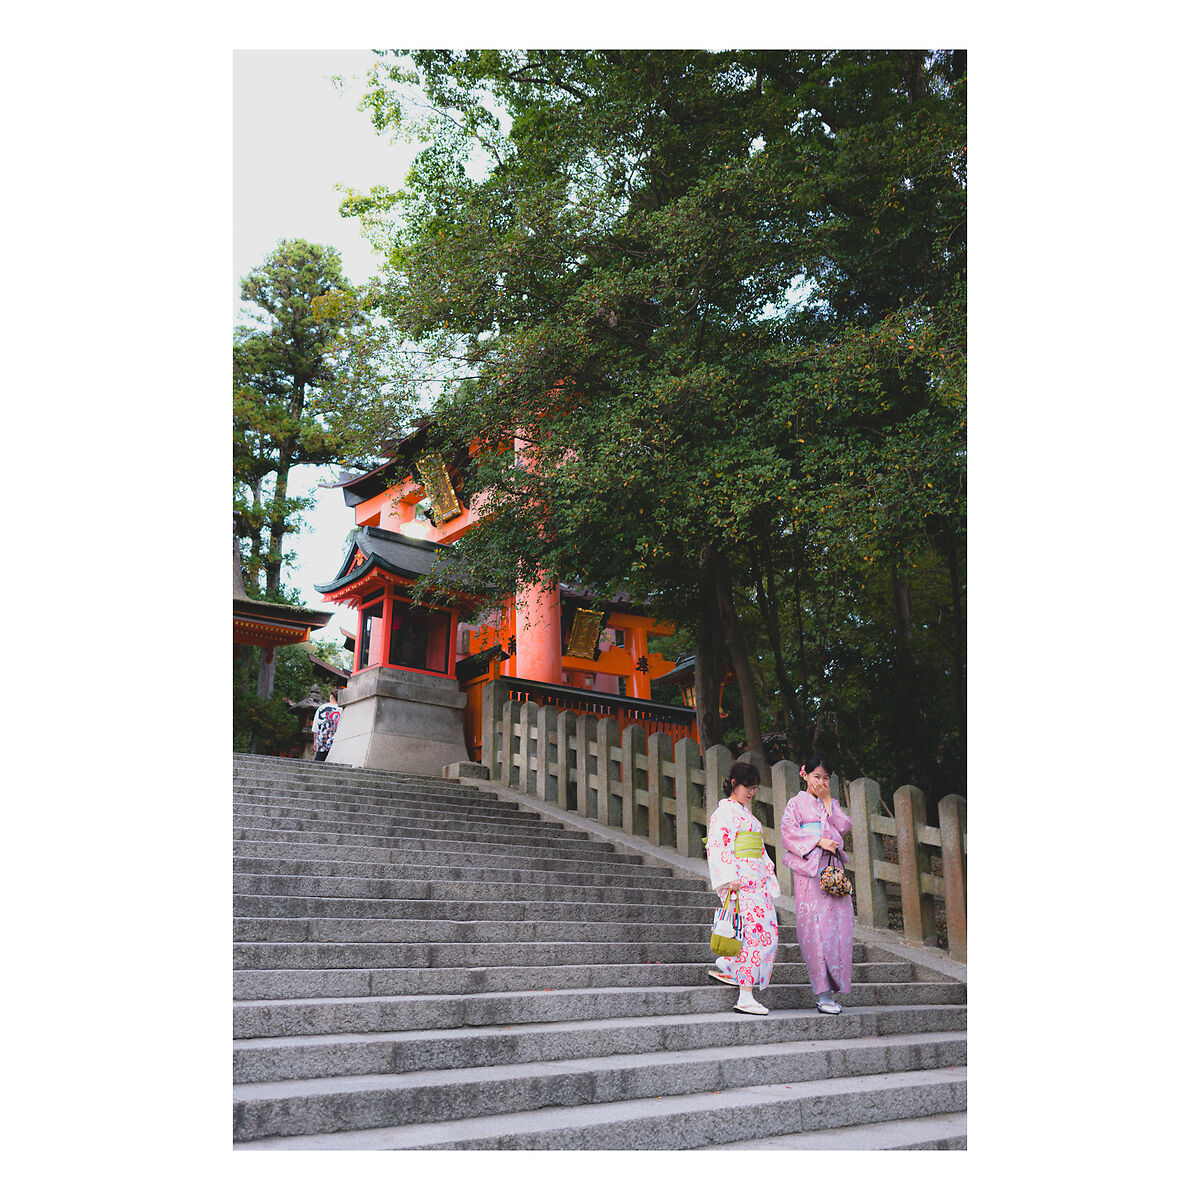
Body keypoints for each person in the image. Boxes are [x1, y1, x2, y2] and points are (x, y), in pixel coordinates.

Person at [780, 753, 855, 1014]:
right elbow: (789, 834)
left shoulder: (831, 802)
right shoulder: (795, 804)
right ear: (805, 775)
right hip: (810, 874)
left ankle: (834, 989)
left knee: (840, 929)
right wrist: (818, 841)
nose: (821, 782)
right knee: (816, 931)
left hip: (832, 873)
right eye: (816, 777)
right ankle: (823, 994)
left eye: (825, 778)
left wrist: (827, 803)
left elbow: (844, 826)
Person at [705, 761, 781, 1016]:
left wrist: (768, 877)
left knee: (768, 930)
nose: (751, 792)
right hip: (739, 883)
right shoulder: (723, 814)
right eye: (747, 787)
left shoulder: (750, 818)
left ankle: (728, 964)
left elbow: (760, 853)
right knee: (752, 935)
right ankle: (745, 995)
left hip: (756, 883)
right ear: (734, 784)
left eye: (754, 788)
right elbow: (718, 846)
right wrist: (728, 879)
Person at [311, 691, 342, 762]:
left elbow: (315, 727)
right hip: (336, 741)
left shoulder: (321, 708)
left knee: (318, 762)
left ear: (331, 696)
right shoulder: (341, 709)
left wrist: (315, 741)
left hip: (322, 741)